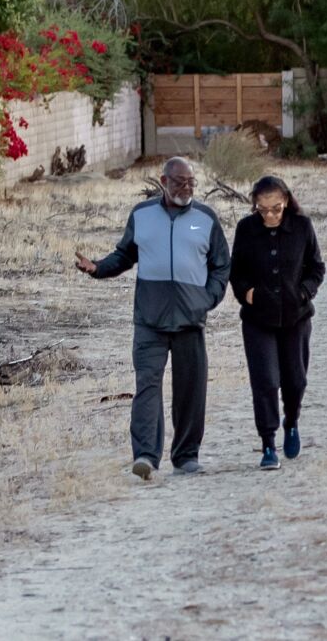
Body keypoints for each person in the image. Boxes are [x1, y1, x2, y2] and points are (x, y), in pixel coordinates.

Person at [75, 156, 230, 481]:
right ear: (163, 181)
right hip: (149, 317)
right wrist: (98, 268)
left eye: (190, 182)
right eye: (179, 182)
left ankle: (186, 457)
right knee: (147, 386)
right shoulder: (142, 215)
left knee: (191, 390)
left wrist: (209, 298)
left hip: (190, 318)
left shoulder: (206, 218)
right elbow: (125, 255)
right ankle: (145, 455)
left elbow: (220, 265)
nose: (185, 188)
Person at [229, 174, 325, 471]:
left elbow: (317, 267)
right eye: (263, 209)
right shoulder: (246, 229)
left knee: (295, 380)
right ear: (255, 206)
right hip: (258, 320)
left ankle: (291, 421)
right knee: (266, 382)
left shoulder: (302, 227)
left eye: (276, 209)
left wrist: (305, 291)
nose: (270, 215)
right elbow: (236, 271)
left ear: (286, 202)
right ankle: (268, 443)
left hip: (296, 318)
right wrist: (248, 293)